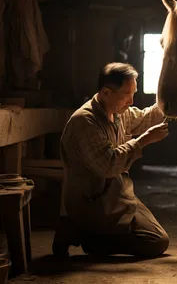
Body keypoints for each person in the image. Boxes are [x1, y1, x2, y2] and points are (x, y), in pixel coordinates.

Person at [52, 62, 170, 258]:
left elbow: (146, 117)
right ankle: (78, 230)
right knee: (152, 243)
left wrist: (174, 97)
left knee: (158, 238)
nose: (131, 101)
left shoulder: (117, 112)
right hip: (93, 202)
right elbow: (109, 165)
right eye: (126, 95)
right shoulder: (85, 121)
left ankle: (97, 236)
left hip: (119, 195)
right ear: (106, 93)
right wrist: (144, 140)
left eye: (133, 93)